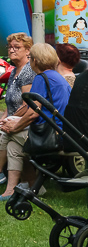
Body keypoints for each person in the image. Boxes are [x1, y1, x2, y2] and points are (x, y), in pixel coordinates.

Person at [0, 44, 71, 198]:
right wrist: (14, 123)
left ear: (36, 61)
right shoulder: (57, 77)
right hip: (60, 132)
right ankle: (22, 188)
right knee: (13, 146)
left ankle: (2, 175)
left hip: (49, 135)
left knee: (6, 134)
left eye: (30, 58)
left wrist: (14, 127)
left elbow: (33, 113)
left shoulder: (41, 78)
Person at [0, 33, 34, 188]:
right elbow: (9, 103)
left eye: (17, 47)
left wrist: (8, 121)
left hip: (25, 122)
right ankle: (22, 184)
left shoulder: (28, 71)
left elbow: (27, 105)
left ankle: (1, 174)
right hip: (13, 120)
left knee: (3, 136)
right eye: (10, 47)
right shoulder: (14, 71)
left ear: (28, 50)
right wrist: (4, 118)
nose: (11, 50)